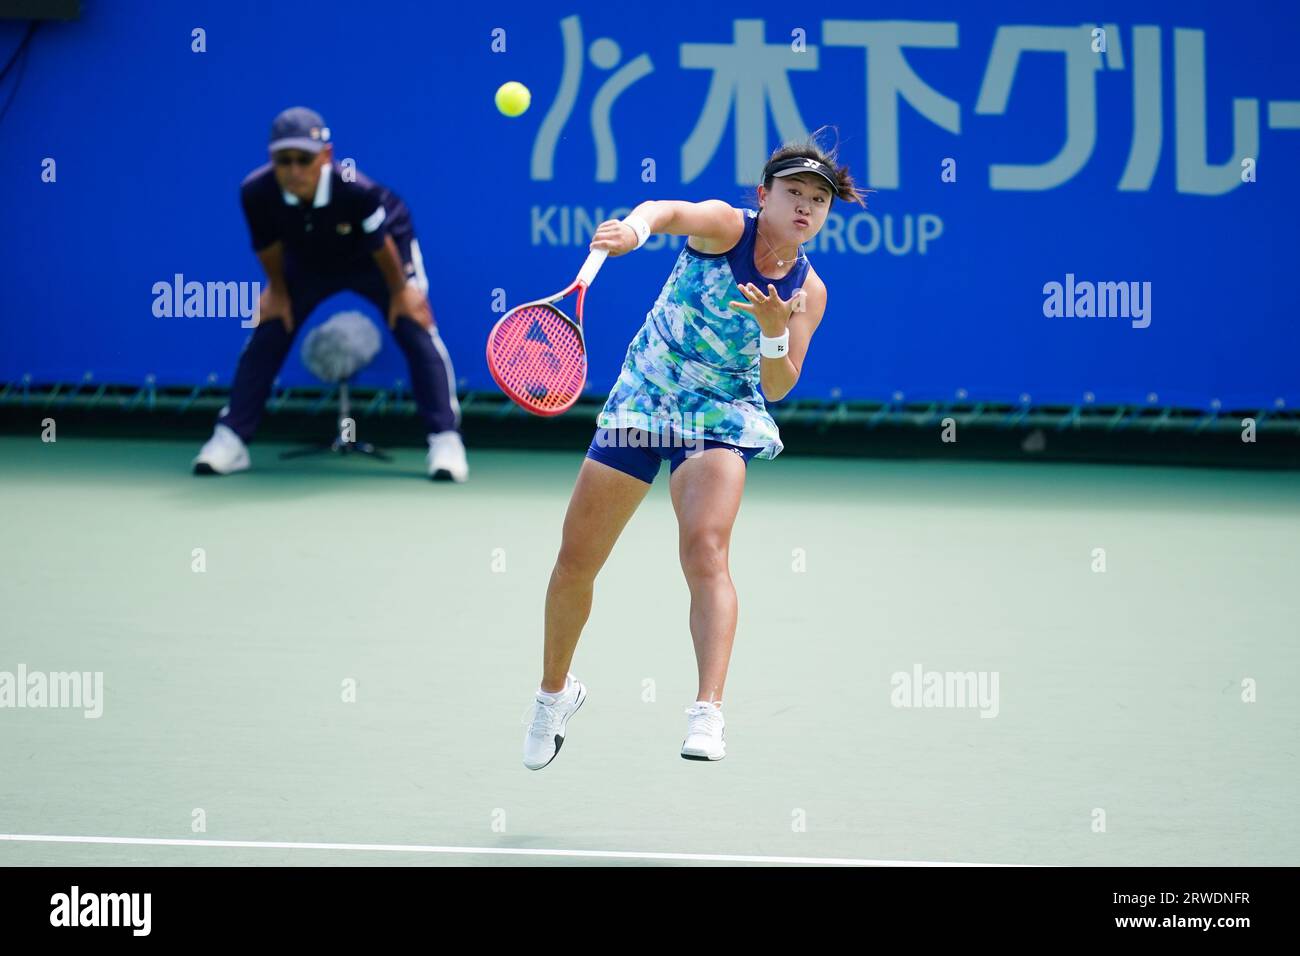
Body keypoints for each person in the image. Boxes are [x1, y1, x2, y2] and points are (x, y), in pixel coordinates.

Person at [522, 134, 870, 768]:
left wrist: (773, 334)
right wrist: (633, 229)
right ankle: (554, 694)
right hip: (646, 395)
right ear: (765, 196)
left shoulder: (808, 292)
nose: (805, 207)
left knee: (705, 548)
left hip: (722, 411)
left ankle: (708, 711)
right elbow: (663, 210)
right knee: (576, 560)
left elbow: (779, 384)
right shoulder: (722, 227)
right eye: (793, 193)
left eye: (818, 200)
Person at [193, 106, 468, 481]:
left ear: (326, 156)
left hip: (377, 257)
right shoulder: (256, 192)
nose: (293, 170)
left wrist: (401, 291)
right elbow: (268, 245)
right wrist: (277, 290)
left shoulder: (358, 191)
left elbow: (380, 244)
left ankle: (445, 440)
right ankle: (231, 439)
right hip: (309, 259)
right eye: (283, 160)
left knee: (413, 323)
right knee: (270, 328)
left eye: (303, 159)